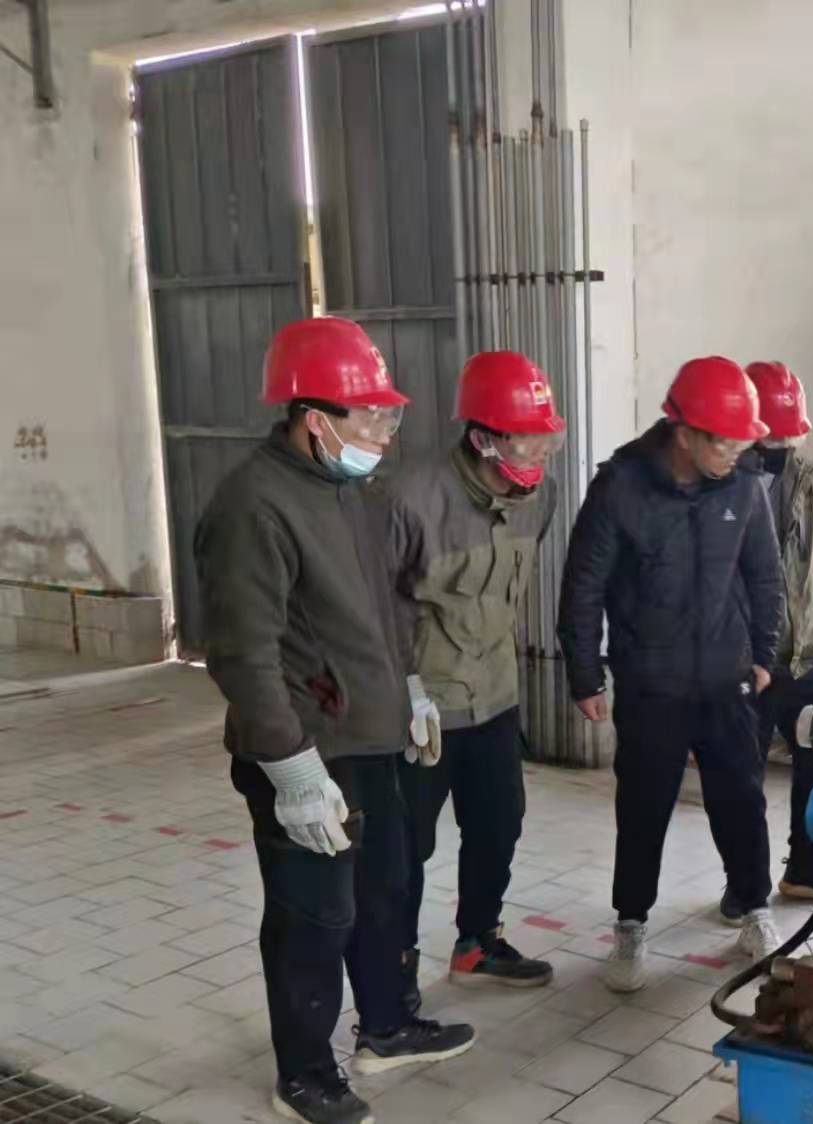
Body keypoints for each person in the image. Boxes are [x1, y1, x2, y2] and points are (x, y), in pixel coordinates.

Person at [195, 317, 475, 1124]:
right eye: (373, 415)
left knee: (384, 890)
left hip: (371, 738)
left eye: (390, 414)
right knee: (313, 916)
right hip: (307, 751)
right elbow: (242, 653)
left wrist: (409, 688)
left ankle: (386, 1026)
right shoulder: (253, 505)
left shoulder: (355, 492)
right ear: (316, 420)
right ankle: (305, 1074)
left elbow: (385, 608)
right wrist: (289, 769)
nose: (387, 431)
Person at [561, 356, 785, 993]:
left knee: (741, 799)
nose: (736, 454)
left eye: (743, 442)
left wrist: (764, 655)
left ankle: (753, 908)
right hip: (651, 682)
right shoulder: (621, 487)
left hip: (726, 677)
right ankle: (631, 926)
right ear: (683, 432)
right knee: (643, 806)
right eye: (724, 442)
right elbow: (584, 585)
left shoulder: (744, 486)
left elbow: (765, 576)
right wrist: (585, 674)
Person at [388, 351, 564, 1011]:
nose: (540, 454)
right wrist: (402, 690)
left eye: (548, 439)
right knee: (406, 845)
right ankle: (394, 968)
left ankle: (476, 943)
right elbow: (375, 606)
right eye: (526, 439)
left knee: (499, 823)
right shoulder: (409, 499)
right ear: (483, 436)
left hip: (493, 696)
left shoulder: (539, 496)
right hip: (422, 709)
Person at [743, 361, 813, 902]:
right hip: (747, 660)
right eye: (773, 438)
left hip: (808, 655)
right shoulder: (726, 483)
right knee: (741, 779)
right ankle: (745, 886)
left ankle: (804, 871)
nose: (781, 448)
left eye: (789, 438)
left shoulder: (810, 479)